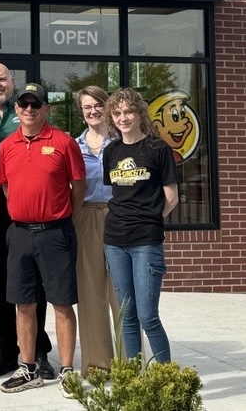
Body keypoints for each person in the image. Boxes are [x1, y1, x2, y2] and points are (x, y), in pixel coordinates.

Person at [0, 83, 86, 398]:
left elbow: (79, 186)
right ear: (17, 109)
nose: (29, 110)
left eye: (36, 105)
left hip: (55, 233)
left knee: (61, 302)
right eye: (24, 105)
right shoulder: (7, 146)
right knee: (24, 304)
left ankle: (66, 371)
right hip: (20, 233)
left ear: (47, 109)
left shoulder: (63, 143)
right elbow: (6, 186)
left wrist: (59, 218)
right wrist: (25, 211)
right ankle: (29, 368)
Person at [0, 63, 54, 380]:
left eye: (3, 79)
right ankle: (7, 348)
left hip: (24, 211)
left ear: (13, 82)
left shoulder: (25, 109)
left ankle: (38, 351)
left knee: (35, 284)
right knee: (0, 286)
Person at [103, 87, 178, 363]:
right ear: (112, 116)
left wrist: (148, 219)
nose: (124, 117)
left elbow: (171, 197)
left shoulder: (158, 148)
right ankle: (135, 377)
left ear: (139, 113)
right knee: (127, 314)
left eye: (129, 111)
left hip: (146, 242)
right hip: (114, 241)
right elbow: (117, 193)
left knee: (148, 315)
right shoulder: (111, 151)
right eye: (118, 112)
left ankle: (164, 375)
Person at [74, 86, 121, 376]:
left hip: (120, 216)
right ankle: (97, 364)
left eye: (97, 105)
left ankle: (130, 363)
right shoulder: (73, 145)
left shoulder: (123, 141)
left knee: (122, 290)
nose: (93, 111)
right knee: (90, 292)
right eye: (86, 107)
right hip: (86, 216)